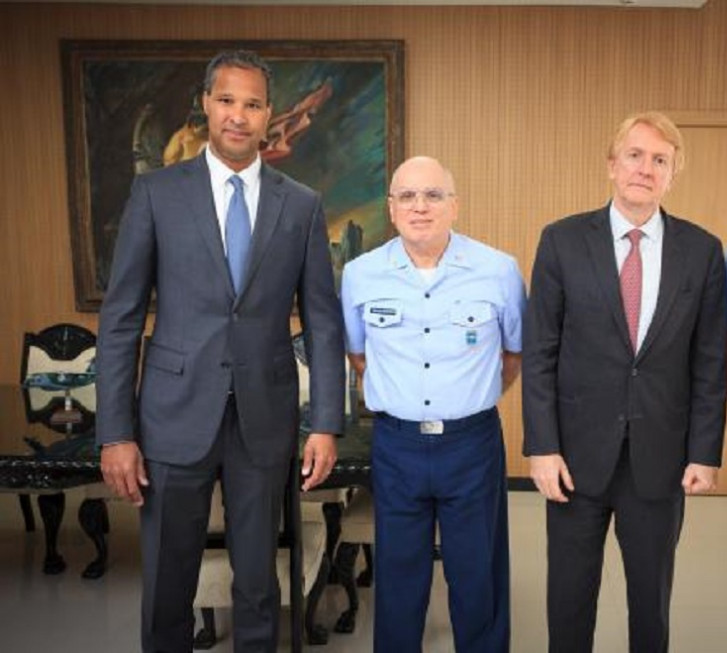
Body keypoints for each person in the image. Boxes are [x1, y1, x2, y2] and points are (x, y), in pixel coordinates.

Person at [96, 50, 346, 652]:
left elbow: (322, 320)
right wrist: (115, 432)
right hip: (171, 414)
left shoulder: (302, 204)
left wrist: (326, 423)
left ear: (267, 115)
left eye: (253, 104)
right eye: (227, 100)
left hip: (264, 419)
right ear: (206, 104)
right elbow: (122, 318)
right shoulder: (156, 193)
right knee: (166, 581)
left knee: (260, 583)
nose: (239, 115)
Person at [522, 112, 727, 653]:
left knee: (651, 604)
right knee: (568, 600)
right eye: (635, 155)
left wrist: (705, 453)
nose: (646, 168)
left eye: (660, 160)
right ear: (612, 165)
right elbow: (540, 352)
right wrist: (541, 446)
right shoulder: (563, 240)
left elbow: (709, 361)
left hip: (659, 462)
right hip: (574, 458)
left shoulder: (702, 251)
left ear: (673, 174)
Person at [340, 156, 525, 653]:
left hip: (472, 444)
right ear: (392, 208)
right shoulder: (360, 275)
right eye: (407, 196)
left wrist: (467, 397)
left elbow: (514, 354)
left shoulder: (498, 270)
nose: (420, 206)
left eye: (433, 195)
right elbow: (359, 356)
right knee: (398, 579)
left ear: (454, 205)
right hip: (396, 445)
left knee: (478, 575)